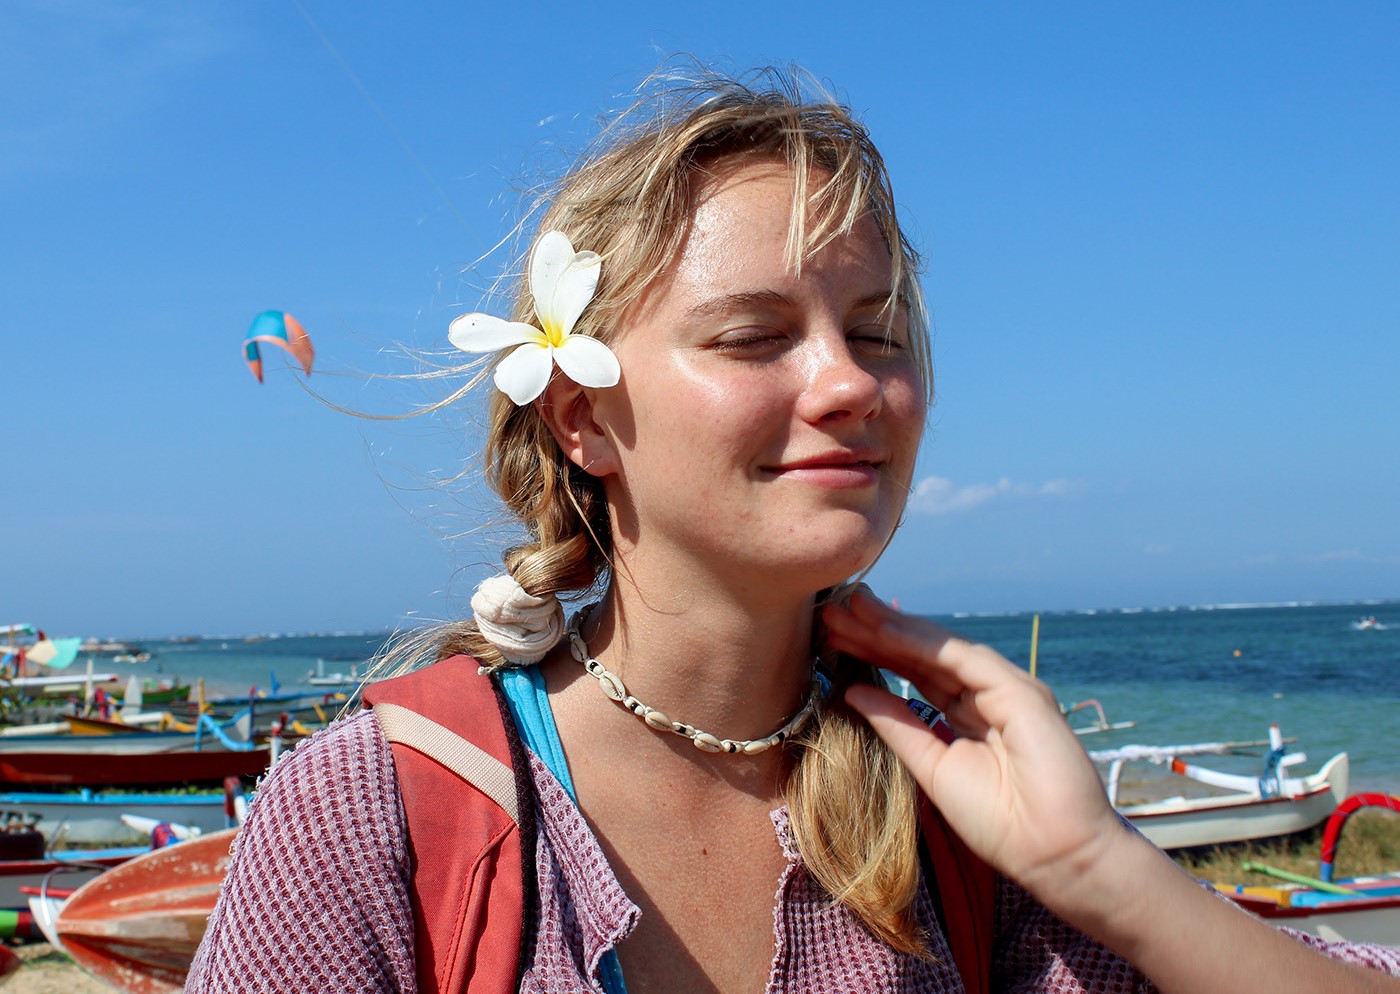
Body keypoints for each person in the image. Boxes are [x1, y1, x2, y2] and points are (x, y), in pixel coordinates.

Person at [186, 69, 1400, 994]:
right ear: (580, 419)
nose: (849, 384)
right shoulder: (380, 812)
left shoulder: (953, 823)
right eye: (754, 335)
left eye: (875, 332)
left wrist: (1098, 873)